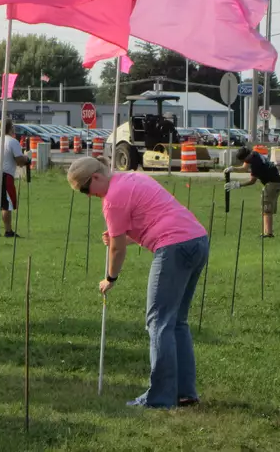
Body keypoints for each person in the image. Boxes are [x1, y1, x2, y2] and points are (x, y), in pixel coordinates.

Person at [67, 157, 209, 409]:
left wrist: (110, 278)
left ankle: (160, 398)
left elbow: (117, 250)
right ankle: (185, 393)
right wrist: (121, 238)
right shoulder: (133, 177)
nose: (88, 196)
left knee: (158, 322)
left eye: (85, 190)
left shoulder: (112, 199)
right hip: (197, 240)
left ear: (96, 178)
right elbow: (152, 219)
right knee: (177, 322)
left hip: (174, 247)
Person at [0, 119, 32, 238]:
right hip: (5, 174)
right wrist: (27, 159)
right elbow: (19, 161)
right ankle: (8, 231)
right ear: (11, 128)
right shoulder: (13, 142)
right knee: (7, 203)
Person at [225, 146, 280, 238]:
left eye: (243, 160)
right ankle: (266, 232)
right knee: (266, 208)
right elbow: (244, 168)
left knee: (266, 208)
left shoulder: (255, 162)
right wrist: (233, 169)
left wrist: (238, 185)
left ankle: (268, 234)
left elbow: (252, 181)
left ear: (245, 157)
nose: (244, 162)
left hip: (272, 184)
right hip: (275, 183)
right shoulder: (254, 154)